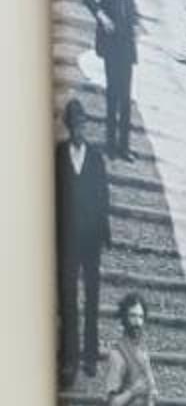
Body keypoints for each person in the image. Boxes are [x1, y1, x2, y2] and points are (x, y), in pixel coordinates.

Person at [55, 95, 109, 384]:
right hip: (67, 239)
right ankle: (70, 357)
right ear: (68, 126)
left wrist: (103, 231)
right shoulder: (59, 155)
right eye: (75, 125)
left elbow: (103, 197)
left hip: (90, 239)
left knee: (92, 295)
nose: (79, 130)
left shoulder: (96, 157)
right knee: (68, 296)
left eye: (83, 124)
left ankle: (90, 354)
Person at [81, 0, 139, 158]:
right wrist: (101, 16)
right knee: (113, 94)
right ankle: (110, 146)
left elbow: (131, 13)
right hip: (111, 45)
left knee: (126, 98)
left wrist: (134, 31)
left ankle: (124, 147)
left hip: (126, 47)